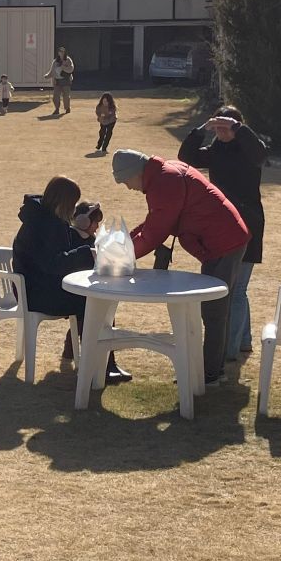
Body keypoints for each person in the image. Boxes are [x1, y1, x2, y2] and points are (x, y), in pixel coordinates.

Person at [111, 149, 249, 387]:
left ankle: (210, 374)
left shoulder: (164, 182)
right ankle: (211, 368)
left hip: (224, 243)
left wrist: (122, 254)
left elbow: (154, 233)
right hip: (223, 240)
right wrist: (126, 240)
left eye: (126, 181)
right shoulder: (165, 175)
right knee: (215, 309)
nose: (128, 187)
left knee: (214, 311)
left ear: (136, 173)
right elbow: (156, 220)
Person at [13, 175, 129, 381]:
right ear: (64, 202)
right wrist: (87, 254)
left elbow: (54, 258)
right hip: (38, 294)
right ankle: (102, 365)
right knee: (96, 300)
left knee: (90, 299)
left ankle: (83, 355)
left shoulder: (40, 218)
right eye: (73, 203)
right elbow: (54, 263)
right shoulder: (46, 224)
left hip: (34, 288)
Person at [177, 106, 270, 365]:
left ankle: (229, 350)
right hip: (221, 227)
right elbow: (186, 157)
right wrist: (201, 129)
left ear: (238, 128)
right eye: (217, 128)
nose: (221, 132)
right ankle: (243, 340)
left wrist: (237, 127)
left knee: (236, 290)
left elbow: (260, 154)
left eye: (225, 128)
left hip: (248, 224)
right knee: (235, 288)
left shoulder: (249, 150)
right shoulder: (216, 151)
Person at [49, 49, 75, 116]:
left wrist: (63, 68)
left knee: (66, 96)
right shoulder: (55, 61)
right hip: (57, 80)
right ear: (58, 53)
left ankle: (67, 108)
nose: (61, 53)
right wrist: (48, 76)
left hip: (66, 80)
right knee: (56, 96)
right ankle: (57, 109)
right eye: (60, 52)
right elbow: (52, 71)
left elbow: (71, 69)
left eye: (63, 52)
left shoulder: (68, 60)